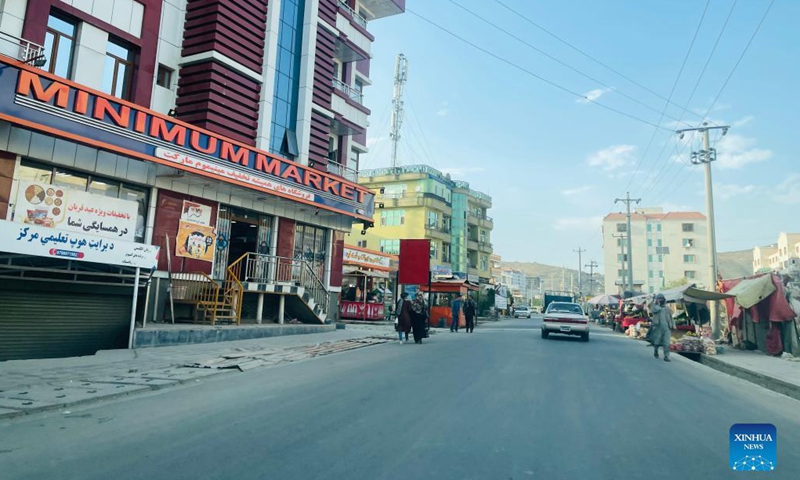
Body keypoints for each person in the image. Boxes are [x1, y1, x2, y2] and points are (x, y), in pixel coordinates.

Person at [649, 293, 675, 362]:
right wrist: (656, 303)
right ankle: (656, 351)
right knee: (657, 342)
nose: (661, 300)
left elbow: (671, 317)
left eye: (662, 299)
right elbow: (653, 310)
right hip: (658, 327)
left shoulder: (667, 308)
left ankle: (666, 356)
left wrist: (673, 325)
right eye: (659, 299)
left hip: (666, 328)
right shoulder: (655, 307)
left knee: (666, 343)